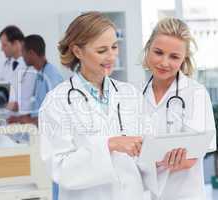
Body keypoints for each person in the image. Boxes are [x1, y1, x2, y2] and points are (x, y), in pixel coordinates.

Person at [39, 12, 145, 200]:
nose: (111, 56)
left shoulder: (130, 94)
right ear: (78, 51)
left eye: (114, 47)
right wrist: (110, 144)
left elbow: (144, 153)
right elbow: (60, 168)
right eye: (102, 50)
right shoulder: (57, 101)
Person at [140, 17, 216, 200]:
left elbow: (194, 153)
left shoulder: (196, 94)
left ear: (183, 59)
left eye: (174, 56)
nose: (164, 62)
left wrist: (148, 156)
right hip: (142, 193)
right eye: (158, 52)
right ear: (148, 49)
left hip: (183, 194)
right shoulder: (135, 94)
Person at [7, 34, 63, 125]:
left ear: (31, 53)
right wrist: (19, 118)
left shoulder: (51, 77)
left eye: (23, 52)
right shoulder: (40, 74)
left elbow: (55, 118)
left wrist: (26, 120)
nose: (22, 56)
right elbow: (39, 111)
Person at [0, 25, 36, 113]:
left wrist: (13, 105)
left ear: (16, 43)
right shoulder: (5, 65)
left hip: (23, 118)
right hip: (5, 117)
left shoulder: (31, 66)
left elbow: (30, 99)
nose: (1, 49)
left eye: (4, 45)